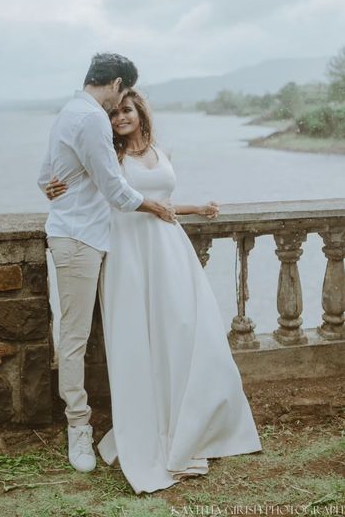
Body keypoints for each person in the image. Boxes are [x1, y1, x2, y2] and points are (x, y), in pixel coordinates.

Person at [45, 89, 262, 495]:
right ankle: (148, 427)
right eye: (113, 113)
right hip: (129, 254)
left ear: (141, 113)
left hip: (169, 249)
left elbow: (162, 203)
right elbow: (87, 187)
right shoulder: (108, 156)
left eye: (126, 110)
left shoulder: (161, 151)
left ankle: (196, 417)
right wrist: (53, 186)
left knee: (185, 329)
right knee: (139, 337)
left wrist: (199, 208)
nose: (119, 118)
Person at [37, 54, 176, 474]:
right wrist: (153, 205)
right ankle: (78, 427)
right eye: (121, 94)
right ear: (116, 83)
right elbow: (114, 188)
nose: (119, 107)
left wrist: (53, 187)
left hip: (85, 235)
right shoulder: (93, 117)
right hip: (79, 239)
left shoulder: (68, 111)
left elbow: (45, 175)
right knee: (76, 337)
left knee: (97, 332)